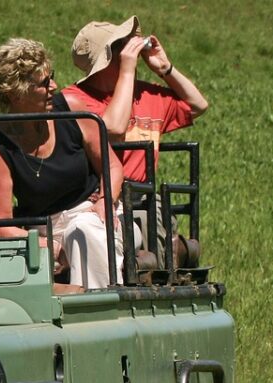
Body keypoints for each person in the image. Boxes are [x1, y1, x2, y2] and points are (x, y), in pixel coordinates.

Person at [60, 17, 208, 263]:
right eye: (123, 46)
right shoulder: (74, 99)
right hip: (96, 198)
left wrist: (166, 69)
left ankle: (159, 276)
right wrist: (127, 71)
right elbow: (114, 129)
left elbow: (198, 105)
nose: (133, 51)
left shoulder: (147, 94)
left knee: (155, 220)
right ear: (108, 58)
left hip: (143, 196)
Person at [0, 38, 125, 288]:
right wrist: (43, 243)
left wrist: (105, 201)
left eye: (52, 77)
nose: (54, 86)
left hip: (92, 212)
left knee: (83, 230)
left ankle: (96, 309)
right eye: (44, 83)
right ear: (17, 94)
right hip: (45, 228)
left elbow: (112, 166)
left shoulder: (71, 111)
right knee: (77, 234)